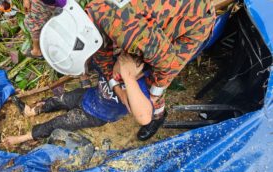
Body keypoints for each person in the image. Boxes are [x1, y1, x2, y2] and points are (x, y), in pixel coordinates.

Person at [84, 0, 216, 140]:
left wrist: (133, 79)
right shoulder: (93, 12)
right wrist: (116, 86)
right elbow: (102, 57)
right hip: (153, 22)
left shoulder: (132, 33)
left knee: (155, 84)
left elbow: (167, 66)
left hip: (192, 20)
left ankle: (158, 116)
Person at [3, 53, 153, 146]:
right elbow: (85, 60)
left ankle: (24, 137)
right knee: (58, 99)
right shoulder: (110, 61)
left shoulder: (140, 89)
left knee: (58, 122)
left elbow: (142, 114)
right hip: (87, 95)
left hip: (96, 115)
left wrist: (129, 79)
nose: (118, 75)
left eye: (126, 74)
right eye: (118, 70)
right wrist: (83, 72)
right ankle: (31, 111)